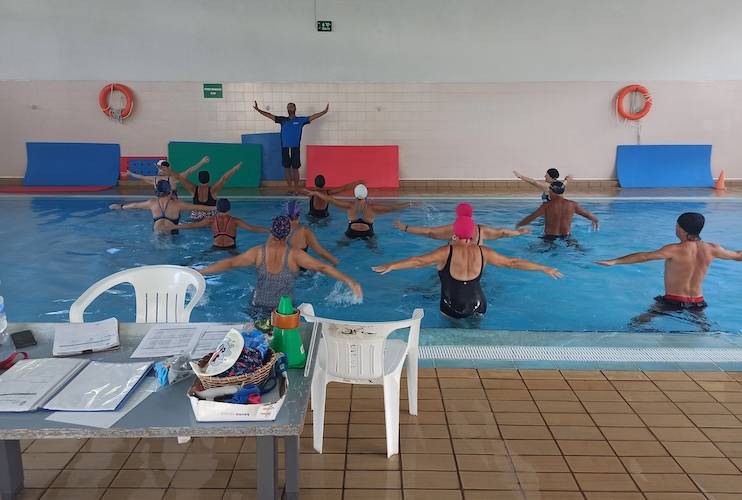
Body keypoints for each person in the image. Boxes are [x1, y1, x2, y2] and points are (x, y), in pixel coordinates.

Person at [373, 216, 563, 319]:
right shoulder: (483, 251)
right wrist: (543, 268)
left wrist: (392, 265)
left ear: (454, 232)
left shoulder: (444, 251)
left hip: (450, 306)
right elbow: (513, 262)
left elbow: (418, 261)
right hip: (479, 305)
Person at [597, 212, 742, 330]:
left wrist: (615, 261)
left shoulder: (674, 250)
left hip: (672, 301)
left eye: (677, 226)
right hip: (697, 302)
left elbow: (644, 256)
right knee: (705, 328)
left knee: (636, 324)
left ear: (682, 230)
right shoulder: (712, 249)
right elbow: (737, 256)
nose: (675, 228)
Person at [199, 215, 362, 316]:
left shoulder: (258, 252)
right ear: (287, 233)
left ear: (272, 231)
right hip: (282, 311)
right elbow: (322, 267)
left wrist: (200, 272)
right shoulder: (294, 254)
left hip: (256, 308)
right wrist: (350, 281)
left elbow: (230, 263)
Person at [253, 101, 330, 194]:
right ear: (287, 110)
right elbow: (269, 115)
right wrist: (258, 110)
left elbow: (313, 116)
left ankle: (296, 188)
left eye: (291, 106)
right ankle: (290, 188)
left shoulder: (301, 120)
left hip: (295, 148)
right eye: (288, 107)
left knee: (295, 168)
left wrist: (324, 111)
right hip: (285, 148)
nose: (290, 108)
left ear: (295, 109)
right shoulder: (282, 120)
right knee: (286, 168)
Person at [394, 202, 531, 244]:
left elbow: (429, 232)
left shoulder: (453, 229)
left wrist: (405, 227)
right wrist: (518, 233)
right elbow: (502, 232)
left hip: (454, 268)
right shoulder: (482, 230)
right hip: (475, 269)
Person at [307, 184, 409, 240]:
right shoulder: (373, 208)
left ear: (355, 194)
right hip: (368, 232)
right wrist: (410, 204)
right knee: (376, 250)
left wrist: (316, 192)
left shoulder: (349, 206)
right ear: (366, 194)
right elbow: (393, 208)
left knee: (339, 247)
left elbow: (330, 200)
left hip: (351, 231)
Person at [109, 180, 206, 234]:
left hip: (157, 233)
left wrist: (121, 206)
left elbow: (134, 205)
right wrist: (215, 208)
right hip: (173, 233)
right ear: (170, 192)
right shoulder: (177, 204)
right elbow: (198, 207)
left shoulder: (152, 203)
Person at [516, 181, 599, 241]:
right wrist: (595, 220)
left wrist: (518, 225)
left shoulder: (547, 205)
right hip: (567, 237)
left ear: (552, 191)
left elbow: (531, 217)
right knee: (579, 250)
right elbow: (588, 215)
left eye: (549, 190)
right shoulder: (572, 204)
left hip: (549, 237)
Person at [178, 198, 269, 250]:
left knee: (199, 258)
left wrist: (175, 226)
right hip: (231, 247)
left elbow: (193, 226)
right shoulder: (235, 221)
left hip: (216, 246)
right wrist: (269, 230)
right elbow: (253, 228)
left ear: (217, 209)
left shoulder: (211, 220)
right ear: (229, 208)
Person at [172, 161, 242, 221]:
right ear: (209, 179)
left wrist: (167, 171)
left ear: (198, 179)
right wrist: (234, 169)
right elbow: (224, 178)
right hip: (209, 218)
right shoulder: (213, 190)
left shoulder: (193, 189)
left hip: (195, 217)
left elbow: (180, 177)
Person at [126, 157, 209, 196]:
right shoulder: (174, 178)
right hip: (174, 207)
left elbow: (141, 177)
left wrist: (130, 174)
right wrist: (202, 162)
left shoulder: (154, 179)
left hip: (160, 208)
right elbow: (190, 170)